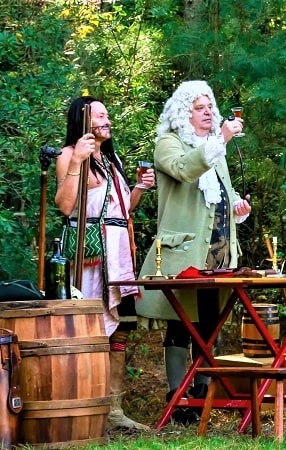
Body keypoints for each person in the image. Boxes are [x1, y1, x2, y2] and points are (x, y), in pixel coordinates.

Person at [136, 80, 251, 425]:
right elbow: (185, 170)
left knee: (209, 325)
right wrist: (222, 139)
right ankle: (177, 396)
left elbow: (223, 195)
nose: (209, 113)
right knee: (180, 325)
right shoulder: (167, 144)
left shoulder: (214, 148)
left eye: (210, 107)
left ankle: (202, 393)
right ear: (183, 112)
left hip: (217, 250)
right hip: (182, 252)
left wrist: (237, 208)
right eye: (200, 108)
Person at [55, 96, 155, 431]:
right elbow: (66, 207)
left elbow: (122, 210)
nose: (107, 120)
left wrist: (139, 187)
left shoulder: (112, 160)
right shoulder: (70, 155)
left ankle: (114, 411)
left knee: (120, 328)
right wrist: (76, 162)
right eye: (100, 115)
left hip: (118, 253)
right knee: (90, 326)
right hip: (91, 253)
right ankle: (88, 407)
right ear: (82, 120)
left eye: (108, 115)